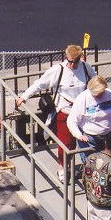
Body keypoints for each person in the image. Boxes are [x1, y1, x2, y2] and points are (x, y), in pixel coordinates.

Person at [16, 44, 96, 182]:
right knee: (66, 143)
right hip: (65, 111)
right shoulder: (58, 70)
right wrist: (24, 96)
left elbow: (96, 82)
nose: (71, 65)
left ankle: (87, 168)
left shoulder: (85, 67)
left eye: (74, 62)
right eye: (69, 61)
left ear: (80, 59)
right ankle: (63, 167)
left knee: (86, 142)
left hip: (82, 112)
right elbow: (39, 84)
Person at [67, 75, 111, 163]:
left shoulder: (110, 95)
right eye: (96, 94)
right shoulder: (82, 98)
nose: (99, 96)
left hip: (108, 136)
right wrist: (78, 135)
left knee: (109, 163)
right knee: (91, 165)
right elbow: (72, 120)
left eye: (101, 93)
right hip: (90, 139)